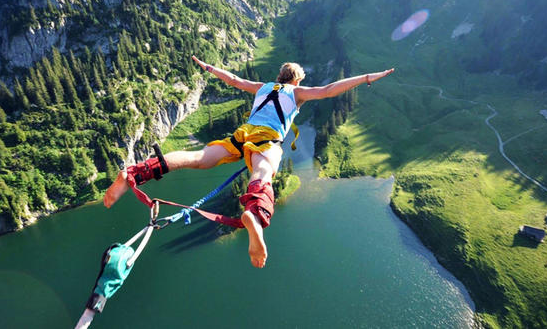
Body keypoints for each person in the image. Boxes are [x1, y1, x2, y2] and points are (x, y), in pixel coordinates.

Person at [104, 56, 394, 268]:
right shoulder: (297, 92)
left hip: (242, 134)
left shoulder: (262, 87)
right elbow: (330, 89)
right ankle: (253, 214)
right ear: (296, 80)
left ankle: (133, 174)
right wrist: (367, 77)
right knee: (263, 170)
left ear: (279, 76)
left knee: (199, 158)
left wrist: (208, 67)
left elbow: (232, 79)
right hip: (267, 139)